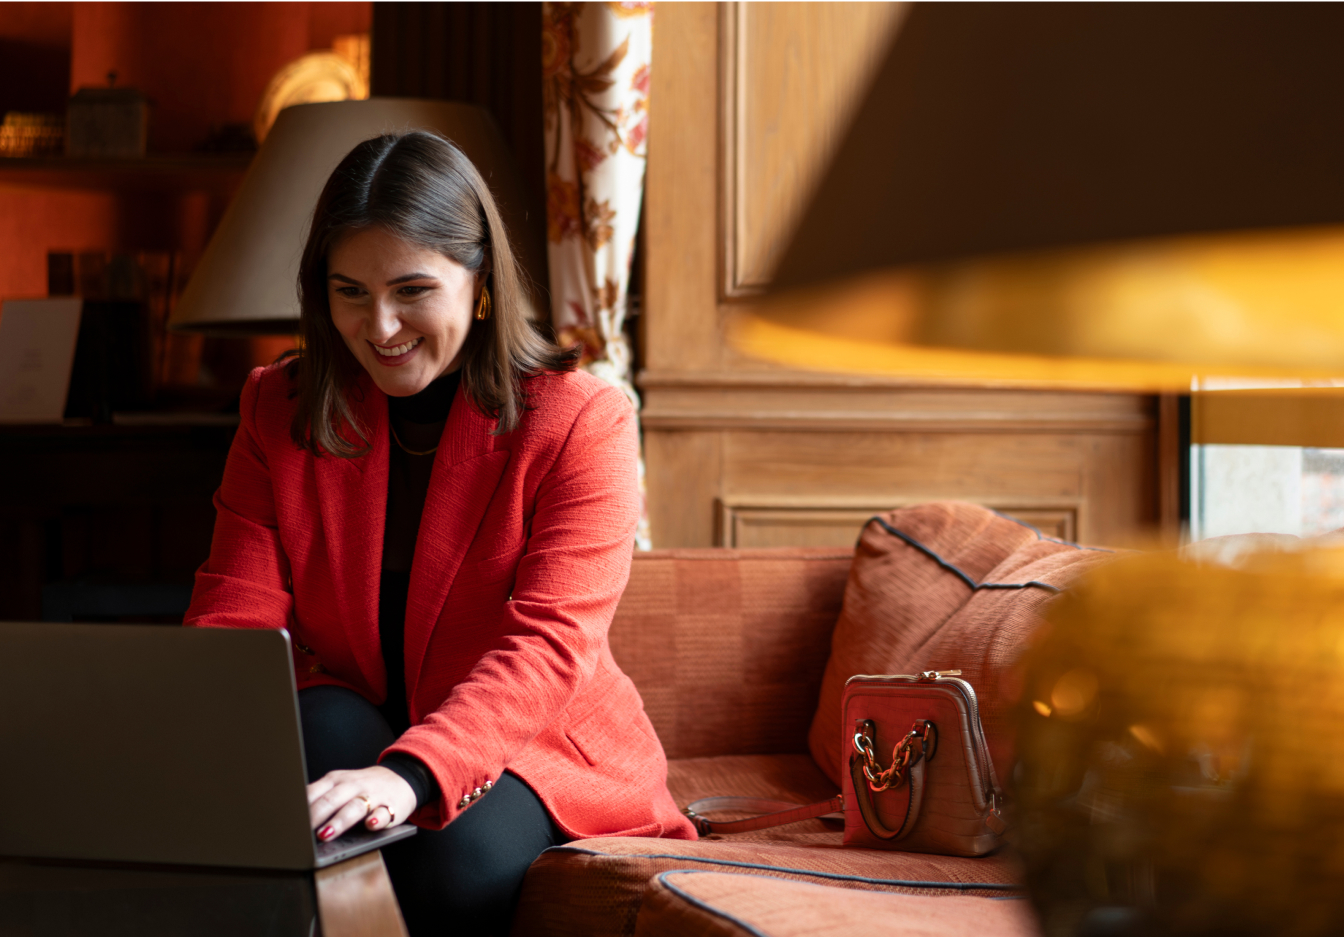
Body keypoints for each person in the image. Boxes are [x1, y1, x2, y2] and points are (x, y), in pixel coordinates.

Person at [183, 130, 695, 934]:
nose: (379, 325)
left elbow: (548, 645)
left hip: (530, 741)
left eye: (411, 289)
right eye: (349, 290)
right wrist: (195, 754)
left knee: (451, 866)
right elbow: (236, 612)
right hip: (355, 713)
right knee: (294, 758)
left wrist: (411, 776)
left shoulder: (582, 421)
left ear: (480, 280)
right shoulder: (276, 406)